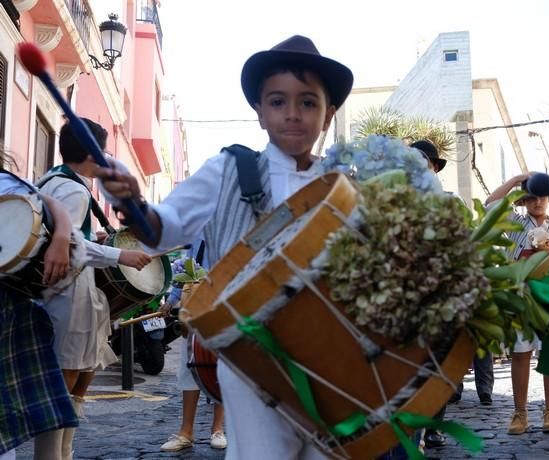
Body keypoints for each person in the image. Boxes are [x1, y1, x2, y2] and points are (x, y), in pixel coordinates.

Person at [96, 35, 353, 460]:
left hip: (330, 360)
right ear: (259, 111)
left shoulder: (345, 188)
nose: (292, 114)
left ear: (329, 115)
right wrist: (133, 203)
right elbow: (165, 227)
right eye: (277, 101)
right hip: (251, 357)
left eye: (308, 103)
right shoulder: (228, 171)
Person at [37, 118, 152, 460]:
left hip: (55, 291)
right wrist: (121, 254)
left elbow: (68, 236)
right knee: (67, 374)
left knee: (77, 371)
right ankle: (55, 455)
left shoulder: (50, 179)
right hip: (70, 292)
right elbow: (70, 247)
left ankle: (63, 452)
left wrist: (94, 239)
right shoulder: (74, 189)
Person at [410, 139, 494, 450]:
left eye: (428, 163)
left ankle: (433, 427)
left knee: (439, 366)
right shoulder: (396, 196)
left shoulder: (449, 201)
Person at [0, 151, 78, 459]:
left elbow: (51, 203)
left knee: (42, 410)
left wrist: (60, 237)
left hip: (13, 308)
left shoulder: (6, 182)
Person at [485, 173, 549, 435]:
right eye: (532, 197)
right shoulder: (513, 222)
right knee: (520, 353)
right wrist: (516, 180)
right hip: (520, 294)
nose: (537, 202)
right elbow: (491, 204)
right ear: (524, 201)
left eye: (542, 196)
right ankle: (519, 412)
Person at [158, 239, 226, 452]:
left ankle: (218, 429)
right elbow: (188, 266)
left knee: (221, 369)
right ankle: (185, 432)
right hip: (195, 306)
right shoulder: (199, 233)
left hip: (225, 305)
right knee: (189, 367)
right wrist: (172, 299)